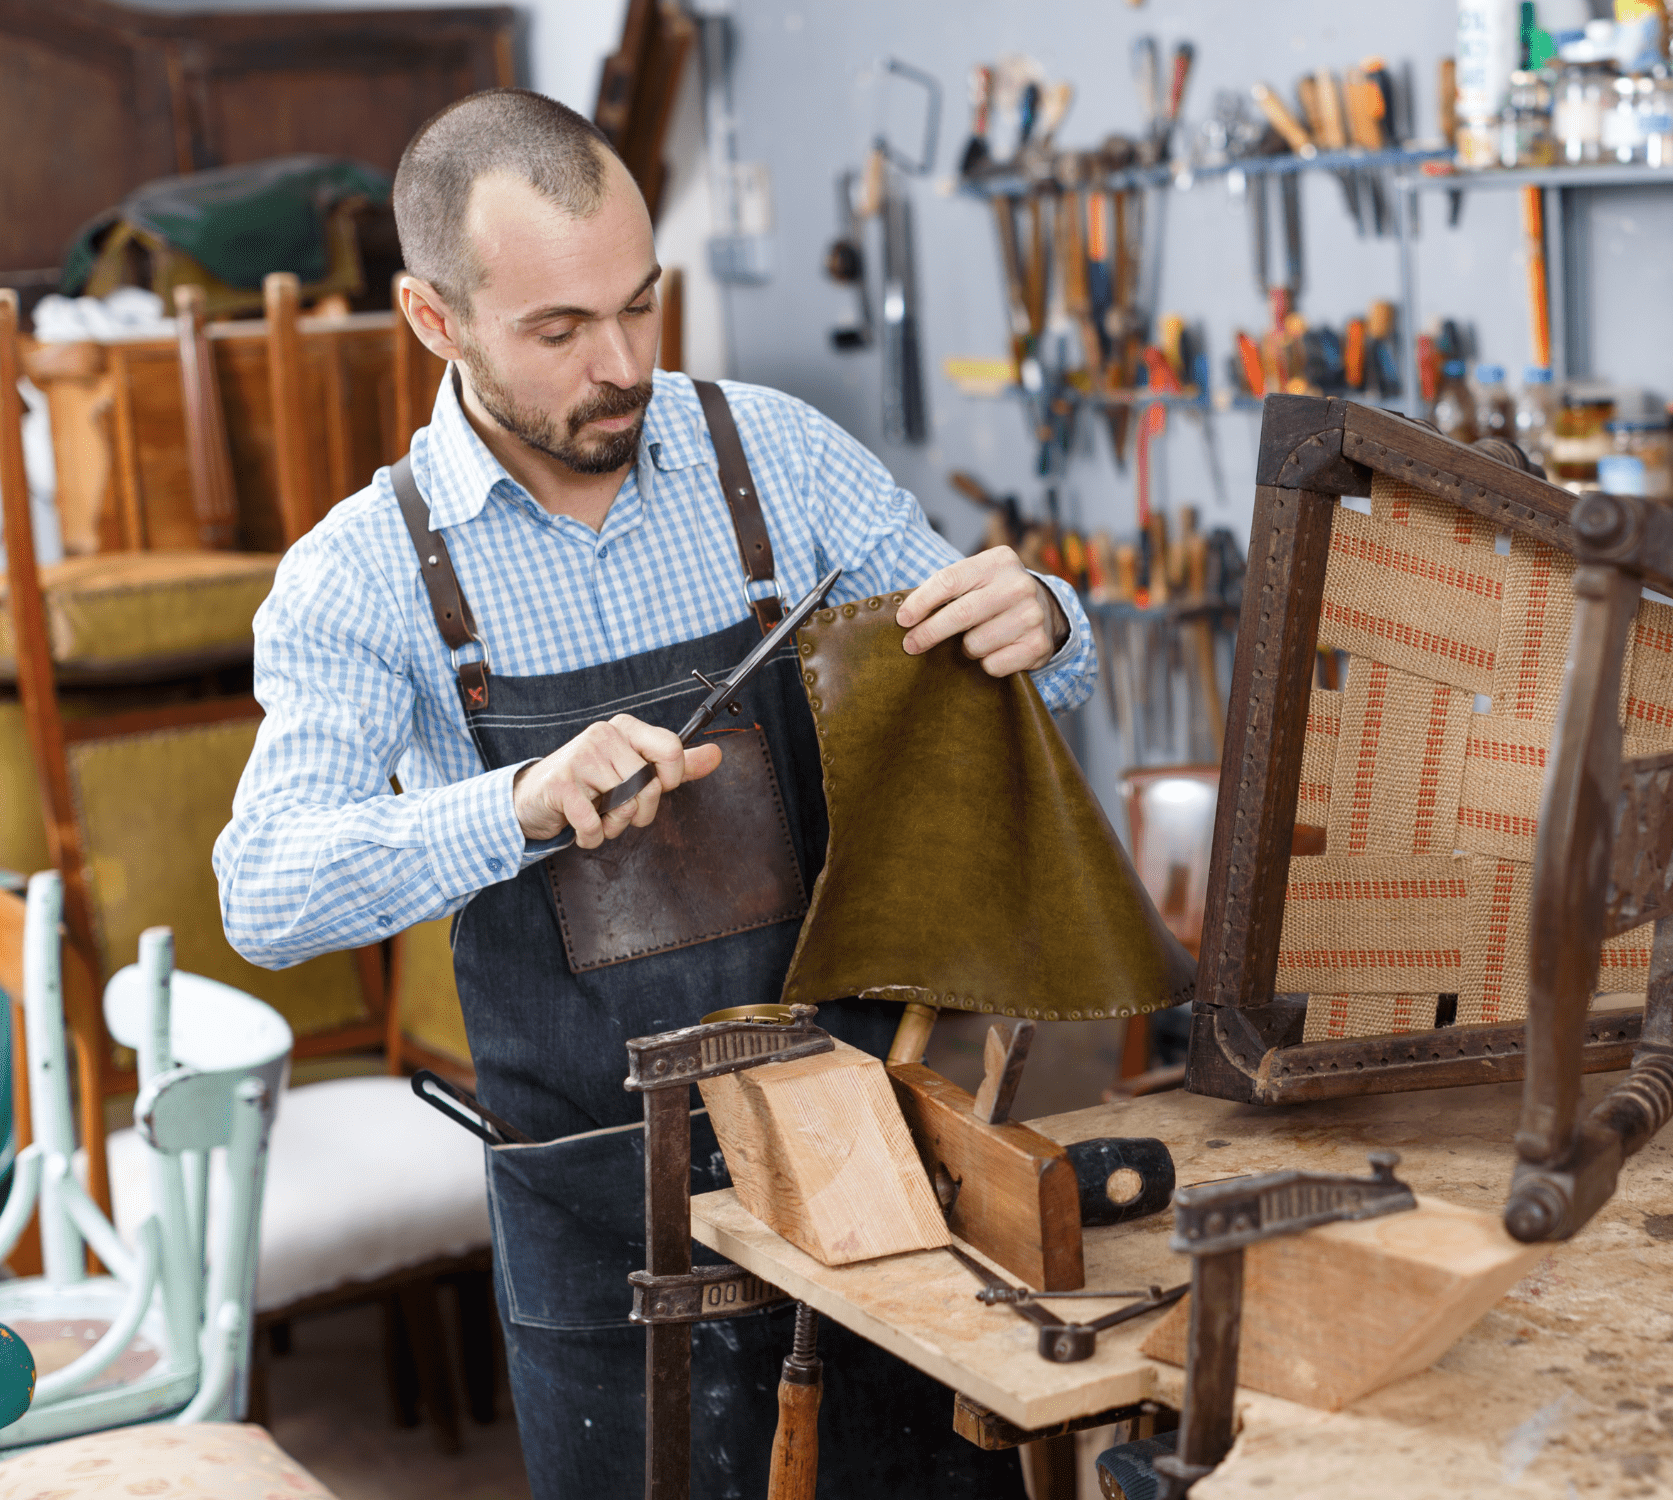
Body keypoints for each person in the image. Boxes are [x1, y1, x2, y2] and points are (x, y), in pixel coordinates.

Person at [213, 89, 1093, 1498]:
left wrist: (1041, 616)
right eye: (559, 333)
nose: (621, 365)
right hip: (602, 1209)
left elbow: (1024, 689)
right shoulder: (363, 574)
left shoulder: (775, 457)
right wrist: (513, 804)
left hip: (870, 1159)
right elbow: (264, 894)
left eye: (641, 306)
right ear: (435, 321)